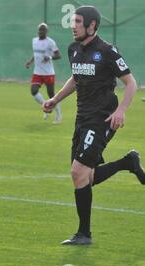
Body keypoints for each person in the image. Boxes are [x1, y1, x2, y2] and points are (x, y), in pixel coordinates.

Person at [43, 6, 144, 245]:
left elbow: (131, 83)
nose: (73, 25)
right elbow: (76, 79)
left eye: (78, 21)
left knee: (78, 172)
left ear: (92, 26)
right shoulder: (73, 49)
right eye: (73, 21)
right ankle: (127, 163)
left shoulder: (107, 51)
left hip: (103, 118)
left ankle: (84, 235)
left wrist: (121, 111)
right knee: (85, 178)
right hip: (82, 118)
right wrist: (55, 99)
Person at [26, 23, 62, 123]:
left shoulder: (50, 42)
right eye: (40, 30)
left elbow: (58, 55)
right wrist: (30, 61)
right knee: (33, 91)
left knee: (51, 95)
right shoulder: (34, 41)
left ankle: (58, 115)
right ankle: (46, 106)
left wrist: (49, 57)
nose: (41, 32)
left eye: (43, 30)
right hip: (37, 72)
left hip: (48, 73)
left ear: (46, 32)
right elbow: (36, 53)